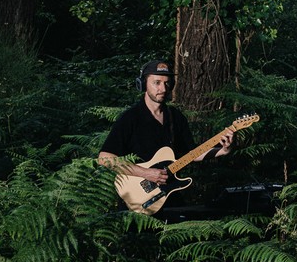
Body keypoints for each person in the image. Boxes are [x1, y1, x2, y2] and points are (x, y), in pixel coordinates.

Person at [99, 60, 233, 207]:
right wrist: (145, 173)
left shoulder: (175, 117)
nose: (163, 88)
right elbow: (105, 159)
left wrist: (222, 150)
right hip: (137, 202)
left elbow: (191, 154)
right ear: (143, 84)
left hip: (170, 195)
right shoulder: (130, 118)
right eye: (156, 82)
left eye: (167, 83)